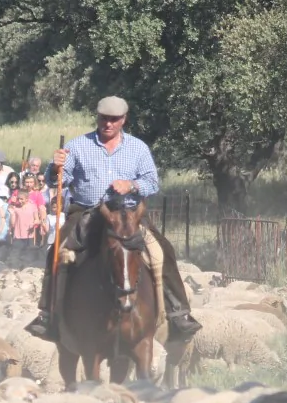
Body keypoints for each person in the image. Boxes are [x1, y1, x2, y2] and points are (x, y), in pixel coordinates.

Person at [25, 96, 201, 341]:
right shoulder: (77, 146)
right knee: (57, 250)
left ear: (123, 120)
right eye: (103, 119)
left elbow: (152, 182)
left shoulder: (138, 148)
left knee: (162, 251)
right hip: (87, 213)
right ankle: (47, 313)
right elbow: (57, 181)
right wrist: (55, 167)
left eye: (113, 120)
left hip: (128, 215)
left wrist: (131, 184)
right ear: (97, 118)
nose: (108, 124)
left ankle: (178, 313)